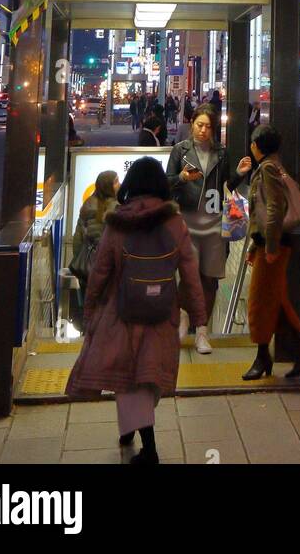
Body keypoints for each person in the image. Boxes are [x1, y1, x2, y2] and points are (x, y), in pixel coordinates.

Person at [65, 156, 205, 464]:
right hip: (162, 311)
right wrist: (199, 317)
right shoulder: (175, 222)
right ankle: (132, 430)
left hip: (121, 311)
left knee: (129, 376)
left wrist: (89, 311)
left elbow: (100, 271)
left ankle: (149, 450)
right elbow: (191, 272)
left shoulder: (118, 221)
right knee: (146, 375)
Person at [166, 106, 251, 352]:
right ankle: (183, 319)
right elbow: (166, 182)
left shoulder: (221, 153)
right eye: (199, 125)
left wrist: (238, 174)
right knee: (189, 274)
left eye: (208, 127)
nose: (203, 131)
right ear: (192, 123)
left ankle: (202, 331)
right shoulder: (180, 150)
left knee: (210, 279)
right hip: (187, 220)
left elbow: (226, 184)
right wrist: (182, 178)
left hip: (214, 222)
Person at [243, 123, 300, 380]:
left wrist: (270, 246)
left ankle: (263, 356)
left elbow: (273, 209)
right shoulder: (274, 166)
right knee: (276, 301)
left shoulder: (268, 170)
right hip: (270, 242)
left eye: (253, 143)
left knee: (259, 302)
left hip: (274, 244)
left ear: (257, 146)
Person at [69, 170, 119, 323]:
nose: (119, 184)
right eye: (116, 181)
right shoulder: (116, 208)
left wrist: (80, 261)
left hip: (89, 267)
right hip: (109, 268)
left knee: (89, 304)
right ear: (109, 186)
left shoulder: (87, 205)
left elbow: (77, 239)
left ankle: (88, 333)